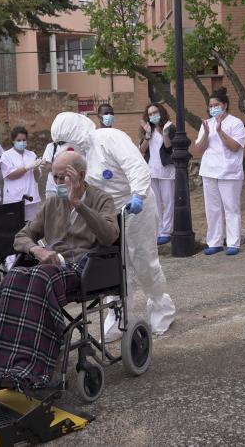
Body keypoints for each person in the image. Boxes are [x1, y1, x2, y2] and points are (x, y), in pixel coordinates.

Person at [0, 151, 118, 392]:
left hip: (84, 269)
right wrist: (38, 250)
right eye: (54, 178)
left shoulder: (101, 199)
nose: (58, 183)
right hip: (50, 268)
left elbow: (110, 236)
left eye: (63, 178)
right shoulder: (52, 203)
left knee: (38, 278)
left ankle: (30, 369)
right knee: (12, 279)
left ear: (81, 176)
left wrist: (79, 204)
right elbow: (21, 237)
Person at [51, 112, 175, 338]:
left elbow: (136, 166)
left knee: (143, 260)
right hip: (107, 215)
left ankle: (161, 308)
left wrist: (137, 194)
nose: (64, 146)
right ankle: (117, 315)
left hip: (136, 205)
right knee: (112, 265)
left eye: (64, 140)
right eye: (59, 143)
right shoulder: (76, 157)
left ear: (75, 133)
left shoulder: (108, 138)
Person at [191, 88, 245, 255]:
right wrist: (207, 133)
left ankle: (233, 243)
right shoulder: (206, 124)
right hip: (209, 171)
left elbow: (235, 146)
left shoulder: (235, 123)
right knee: (212, 209)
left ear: (225, 105)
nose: (213, 108)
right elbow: (199, 149)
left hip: (229, 171)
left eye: (216, 105)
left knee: (231, 208)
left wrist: (220, 131)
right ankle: (214, 242)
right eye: (211, 106)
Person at [138, 103, 174, 245]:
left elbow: (168, 146)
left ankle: (167, 231)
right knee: (156, 203)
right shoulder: (148, 130)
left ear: (161, 112)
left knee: (169, 202)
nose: (153, 116)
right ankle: (159, 231)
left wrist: (164, 133)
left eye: (155, 113)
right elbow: (142, 149)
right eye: (150, 114)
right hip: (152, 172)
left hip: (167, 171)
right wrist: (147, 135)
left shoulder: (169, 127)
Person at [0, 126, 43, 221]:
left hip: (31, 197)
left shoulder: (32, 154)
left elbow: (37, 178)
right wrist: (28, 167)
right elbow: (10, 175)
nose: (22, 142)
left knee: (31, 226)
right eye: (19, 140)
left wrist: (36, 168)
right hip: (14, 198)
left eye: (24, 140)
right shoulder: (6, 155)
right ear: (13, 140)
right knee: (14, 226)